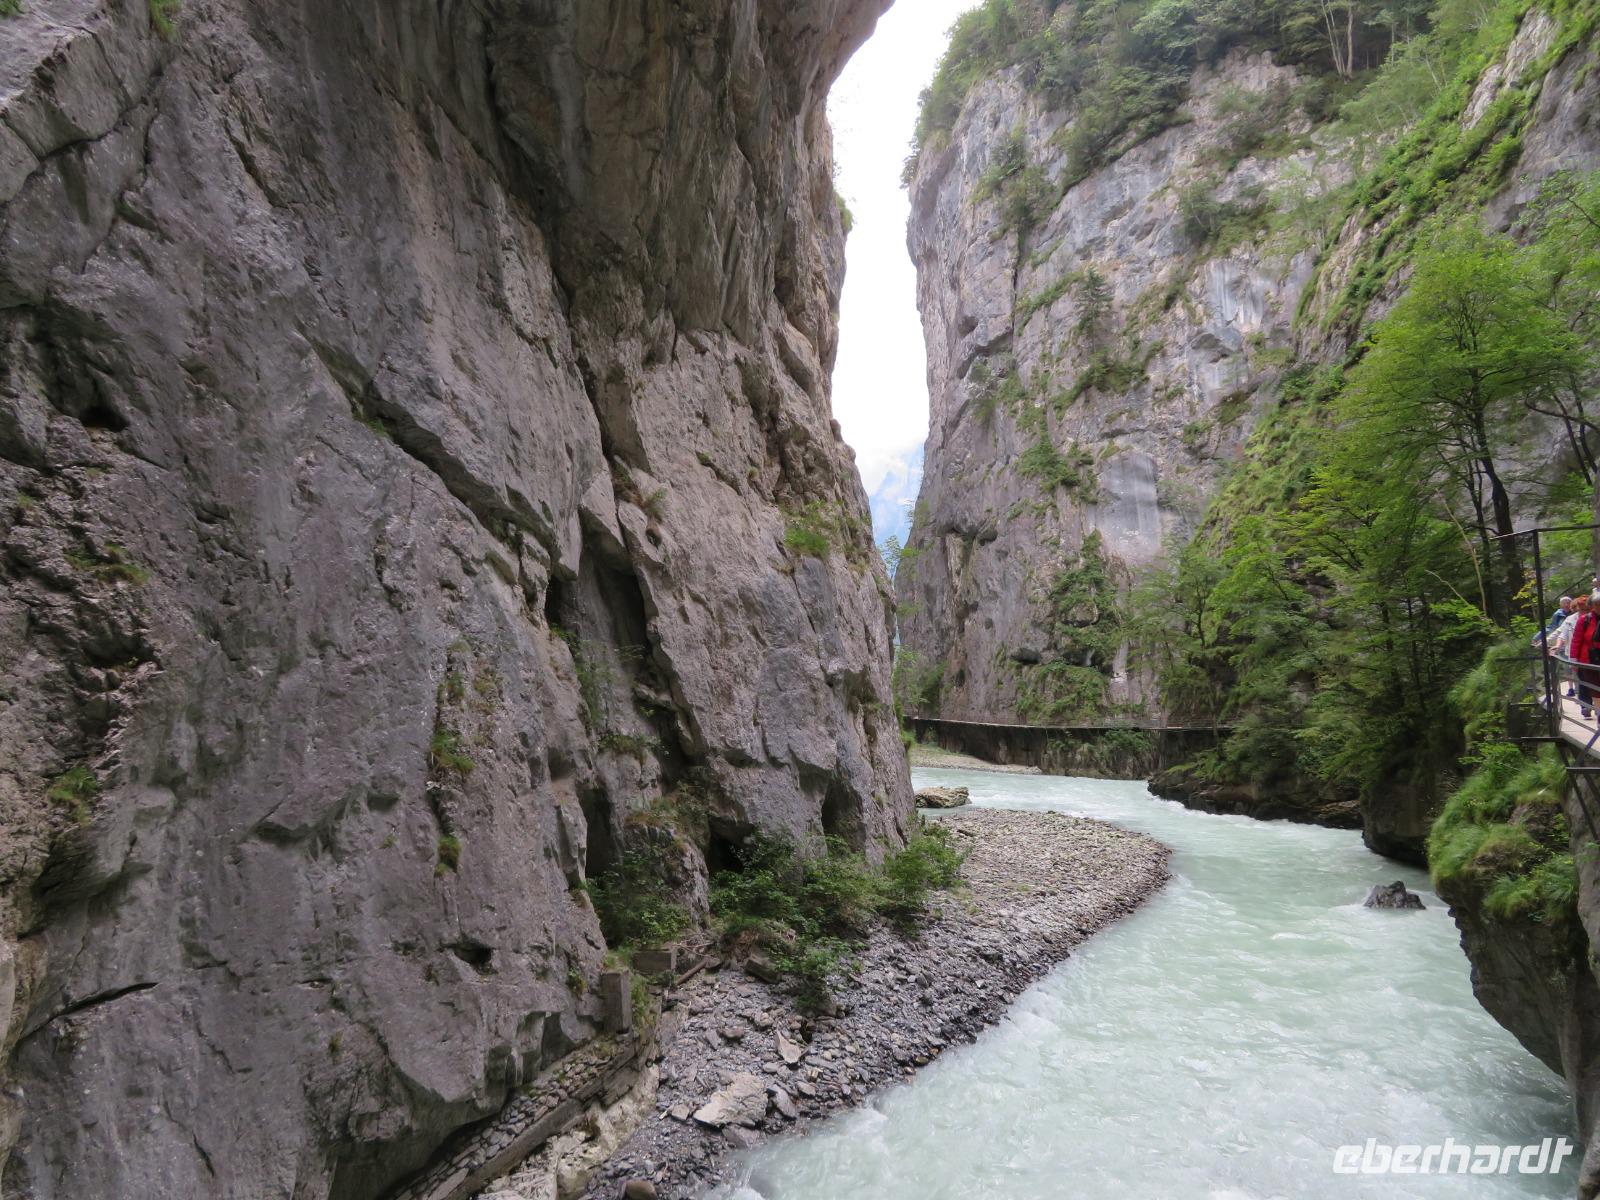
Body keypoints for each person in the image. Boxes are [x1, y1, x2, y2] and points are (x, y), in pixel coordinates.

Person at [1571, 596, 1600, 720]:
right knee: (1594, 689)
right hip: (1589, 659)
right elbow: (1576, 640)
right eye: (1596, 604)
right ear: (1592, 606)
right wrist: (1574, 660)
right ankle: (1598, 713)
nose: (1599, 607)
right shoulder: (1584, 620)